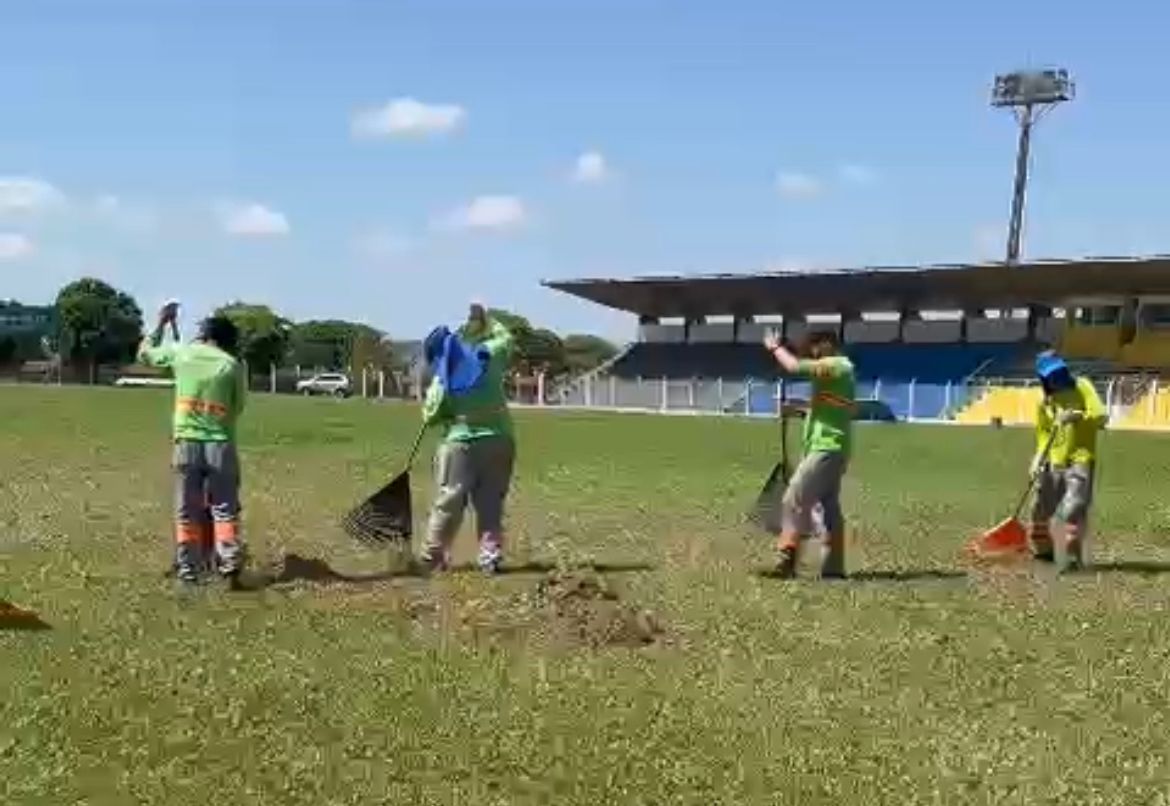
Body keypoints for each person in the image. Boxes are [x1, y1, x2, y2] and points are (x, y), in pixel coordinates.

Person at [138, 304, 248, 587]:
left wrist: (162, 323)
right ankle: (229, 560)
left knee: (186, 508)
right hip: (220, 444)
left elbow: (146, 352)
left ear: (205, 335)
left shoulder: (183, 354)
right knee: (224, 508)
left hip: (186, 443)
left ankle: (188, 567)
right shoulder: (231, 365)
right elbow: (238, 407)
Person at [418, 302, 515, 574]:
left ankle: (433, 555)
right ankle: (489, 554)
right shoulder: (488, 355)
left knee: (449, 500)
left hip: (460, 442)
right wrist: (486, 320)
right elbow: (506, 340)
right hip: (499, 439)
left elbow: (430, 415)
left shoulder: (442, 379)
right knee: (491, 502)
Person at [762, 329, 856, 579]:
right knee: (828, 510)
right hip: (833, 448)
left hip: (826, 448)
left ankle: (786, 557)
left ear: (829, 344)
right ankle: (833, 568)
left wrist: (774, 348)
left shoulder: (837, 366)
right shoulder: (837, 376)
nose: (813, 353)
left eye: (815, 347)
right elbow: (830, 409)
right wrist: (797, 409)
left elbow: (793, 367)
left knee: (794, 498)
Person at [1029, 351, 1106, 571]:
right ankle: (1044, 552)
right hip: (1055, 461)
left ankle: (1073, 557)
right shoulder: (1044, 403)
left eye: (1059, 372)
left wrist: (1078, 416)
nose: (1057, 377)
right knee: (1040, 508)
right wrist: (1037, 460)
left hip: (1081, 458)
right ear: (1043, 378)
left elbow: (1101, 417)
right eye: (1051, 375)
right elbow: (1043, 435)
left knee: (1073, 507)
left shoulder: (1083, 386)